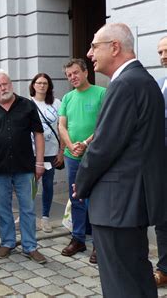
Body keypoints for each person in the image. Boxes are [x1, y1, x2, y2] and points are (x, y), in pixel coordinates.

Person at [74, 23, 166, 297]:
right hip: (130, 201)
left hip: (117, 204)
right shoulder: (144, 80)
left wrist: (81, 183)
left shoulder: (125, 83)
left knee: (120, 282)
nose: (90, 54)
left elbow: (103, 147)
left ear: (114, 47)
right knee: (136, 276)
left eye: (94, 46)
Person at [0, 69, 47, 264]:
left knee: (28, 208)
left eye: (5, 83)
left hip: (25, 167)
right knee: (3, 208)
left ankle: (30, 246)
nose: (3, 88)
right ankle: (7, 242)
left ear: (11, 83)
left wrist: (39, 162)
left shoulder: (27, 105)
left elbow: (38, 134)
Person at [58, 58, 105, 263]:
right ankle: (78, 239)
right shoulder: (67, 97)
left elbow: (104, 124)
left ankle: (98, 244)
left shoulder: (101, 93)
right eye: (69, 75)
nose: (72, 78)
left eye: (75, 73)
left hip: (94, 156)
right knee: (76, 198)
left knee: (95, 200)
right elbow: (62, 125)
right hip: (72, 157)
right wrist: (70, 146)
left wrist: (85, 143)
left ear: (85, 72)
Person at [29, 73, 64, 233]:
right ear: (33, 85)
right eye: (39, 83)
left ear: (49, 86)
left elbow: (62, 128)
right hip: (32, 152)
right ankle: (27, 215)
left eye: (45, 83)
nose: (42, 86)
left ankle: (45, 218)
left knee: (48, 185)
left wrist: (61, 150)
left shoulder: (57, 103)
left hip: (51, 152)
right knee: (30, 185)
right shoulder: (27, 103)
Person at [154, 36, 167, 287]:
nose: (163, 56)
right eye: (160, 52)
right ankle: (164, 269)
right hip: (161, 163)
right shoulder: (160, 82)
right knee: (163, 219)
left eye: (166, 51)